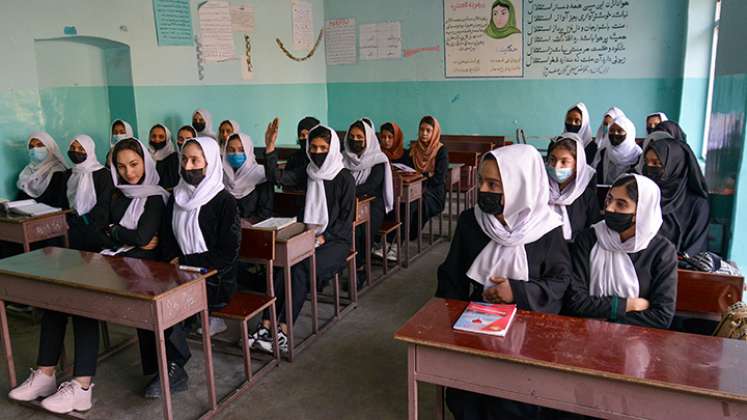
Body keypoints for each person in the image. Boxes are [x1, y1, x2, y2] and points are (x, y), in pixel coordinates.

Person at [436, 144, 571, 420]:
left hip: (529, 326)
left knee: (511, 404)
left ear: (520, 186)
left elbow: (560, 281)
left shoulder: (547, 228)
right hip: (474, 322)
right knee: (466, 399)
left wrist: (517, 291)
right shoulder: (471, 222)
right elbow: (451, 276)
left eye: (494, 184)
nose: (483, 190)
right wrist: (449, 324)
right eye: (482, 182)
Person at [250, 126, 355, 354]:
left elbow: (346, 220)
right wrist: (269, 148)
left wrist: (322, 239)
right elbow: (277, 177)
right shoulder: (307, 171)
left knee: (300, 267)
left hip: (335, 242)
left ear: (333, 148)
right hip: (306, 235)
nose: (317, 152)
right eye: (314, 147)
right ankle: (267, 324)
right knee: (281, 266)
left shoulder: (344, 177)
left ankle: (285, 330)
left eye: (323, 148)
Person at [565, 174, 677, 329]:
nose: (609, 208)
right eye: (609, 199)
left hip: (637, 341)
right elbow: (575, 301)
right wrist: (626, 305)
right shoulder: (589, 239)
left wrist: (604, 318)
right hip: (585, 334)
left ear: (641, 211)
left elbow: (661, 317)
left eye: (621, 204)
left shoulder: (662, 252)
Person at [342, 119, 394, 285]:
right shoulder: (342, 158)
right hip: (349, 202)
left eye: (359, 137)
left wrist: (344, 192)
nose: (355, 140)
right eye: (352, 136)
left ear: (368, 139)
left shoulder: (378, 158)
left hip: (372, 204)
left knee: (361, 229)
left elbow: (370, 186)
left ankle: (360, 268)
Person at [642, 138, 710, 256]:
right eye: (646, 162)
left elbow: (694, 251)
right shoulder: (642, 195)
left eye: (657, 163)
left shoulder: (697, 205)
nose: (649, 168)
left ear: (675, 166)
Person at [546, 133, 601, 241]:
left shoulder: (587, 197)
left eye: (564, 162)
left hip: (574, 251)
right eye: (552, 159)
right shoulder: (540, 189)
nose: (556, 166)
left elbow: (592, 232)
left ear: (577, 166)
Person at [65, 135, 114, 252]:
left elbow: (104, 205)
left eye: (81, 149)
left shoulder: (103, 175)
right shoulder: (68, 174)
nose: (75, 152)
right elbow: (63, 202)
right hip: (70, 224)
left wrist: (84, 220)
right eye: (72, 148)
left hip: (95, 227)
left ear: (89, 151)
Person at [223, 120, 278, 223]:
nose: (236, 153)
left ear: (248, 151)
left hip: (254, 232)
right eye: (231, 149)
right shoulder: (221, 177)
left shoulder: (261, 175)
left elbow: (265, 214)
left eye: (241, 150)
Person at [403, 116, 448, 238]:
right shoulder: (413, 150)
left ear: (435, 132)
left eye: (428, 130)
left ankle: (409, 235)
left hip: (434, 192)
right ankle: (400, 235)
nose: (424, 133)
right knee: (403, 201)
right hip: (414, 188)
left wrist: (422, 178)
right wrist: (427, 175)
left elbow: (439, 178)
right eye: (421, 130)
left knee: (421, 202)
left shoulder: (441, 150)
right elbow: (409, 172)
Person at [16, 131, 68, 208]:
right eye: (31, 146)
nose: (34, 149)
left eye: (39, 145)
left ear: (50, 147)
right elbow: (21, 199)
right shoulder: (27, 171)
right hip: (27, 216)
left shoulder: (59, 173)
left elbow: (59, 204)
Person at [592, 114, 640, 185]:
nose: (615, 133)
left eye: (619, 131)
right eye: (611, 130)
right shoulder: (604, 152)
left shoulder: (638, 155)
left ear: (629, 134)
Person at [278, 116, 319, 190]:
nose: (305, 138)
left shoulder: (321, 159)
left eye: (308, 134)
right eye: (302, 135)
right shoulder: (294, 158)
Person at [148, 123, 179, 189]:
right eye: (153, 136)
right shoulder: (146, 155)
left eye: (161, 137)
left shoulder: (174, 158)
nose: (157, 140)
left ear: (167, 139)